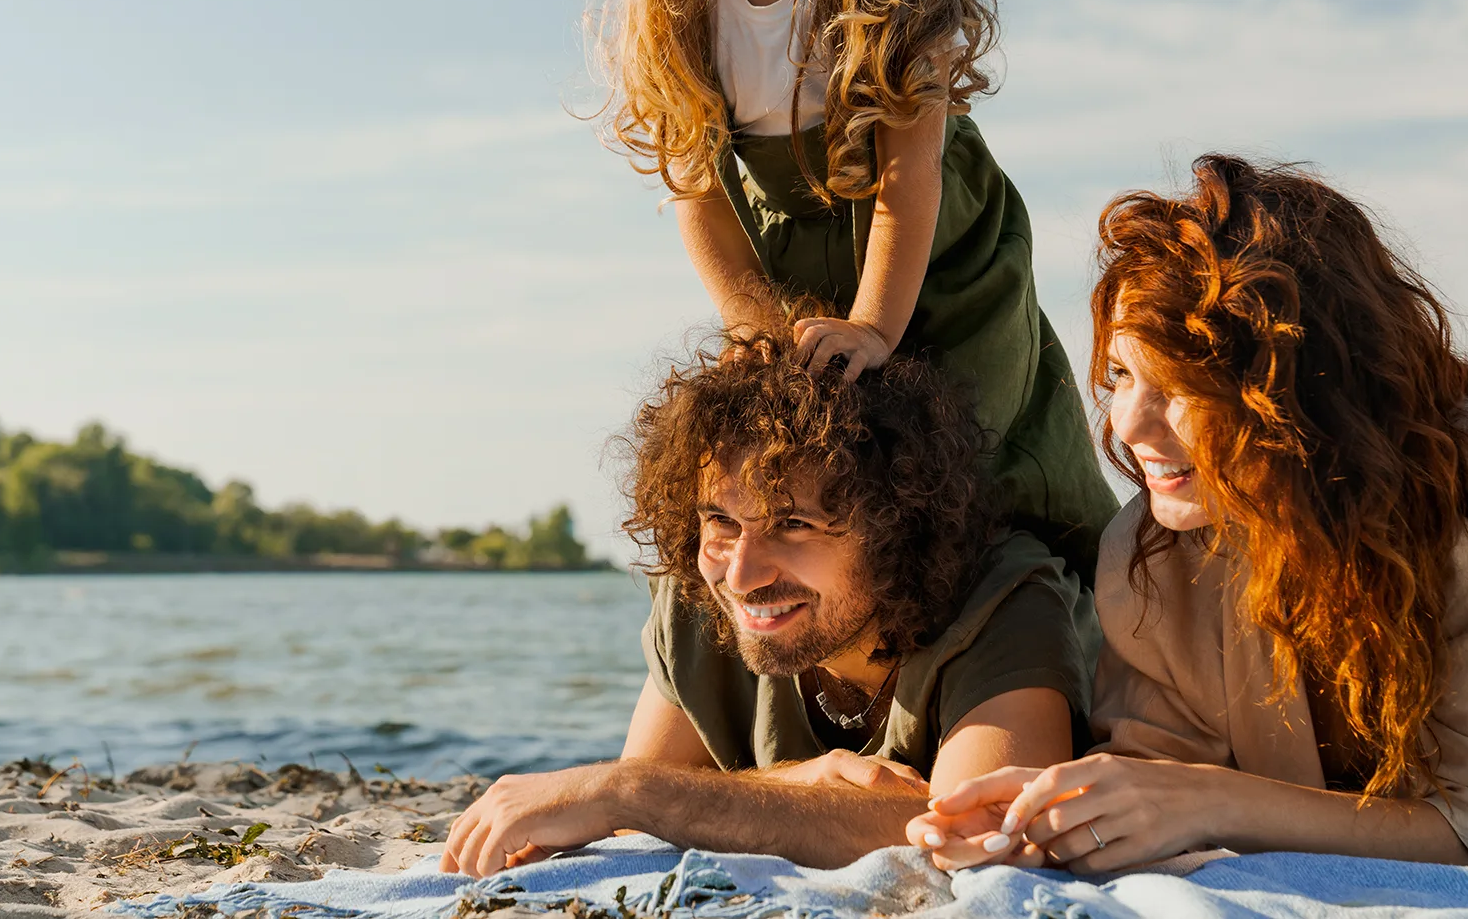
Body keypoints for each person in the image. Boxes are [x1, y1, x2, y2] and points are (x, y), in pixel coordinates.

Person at [910, 155, 1468, 872]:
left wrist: (1207, 800)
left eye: (1181, 385)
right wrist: (1046, 818)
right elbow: (1160, 779)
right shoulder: (1155, 549)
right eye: (1123, 375)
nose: (1128, 426)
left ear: (1296, 389)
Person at [593, 0, 1117, 581]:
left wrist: (876, 327)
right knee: (823, 486)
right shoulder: (681, 0)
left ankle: (1080, 631)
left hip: (940, 258)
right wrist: (754, 320)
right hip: (791, 266)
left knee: (977, 460)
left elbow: (907, 182)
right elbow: (697, 190)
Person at [440, 325, 1095, 876]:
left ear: (897, 528)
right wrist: (792, 781)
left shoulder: (1007, 601)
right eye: (721, 521)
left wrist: (624, 789)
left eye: (793, 524)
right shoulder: (703, 597)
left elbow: (983, 833)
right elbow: (637, 811)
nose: (743, 574)